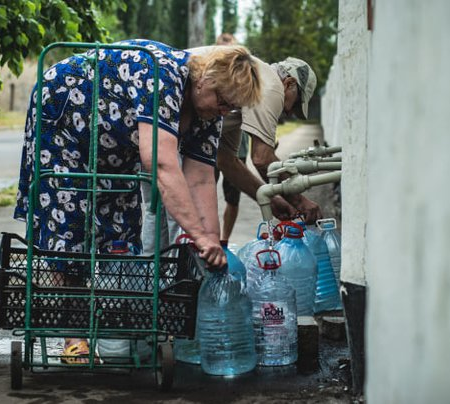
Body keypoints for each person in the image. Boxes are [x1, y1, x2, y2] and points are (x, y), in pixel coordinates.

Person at [14, 39, 261, 364]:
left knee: (122, 229)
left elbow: (200, 177)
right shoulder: (164, 75)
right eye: (222, 100)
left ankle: (120, 329)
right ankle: (73, 336)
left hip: (113, 143)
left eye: (231, 107)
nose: (224, 111)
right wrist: (197, 235)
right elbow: (159, 163)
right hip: (65, 122)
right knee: (70, 221)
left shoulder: (209, 113)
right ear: (206, 78)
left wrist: (211, 242)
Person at [214, 32, 250, 241]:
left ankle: (224, 240)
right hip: (210, 147)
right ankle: (211, 237)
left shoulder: (243, 76)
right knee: (206, 191)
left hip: (238, 147)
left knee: (233, 198)